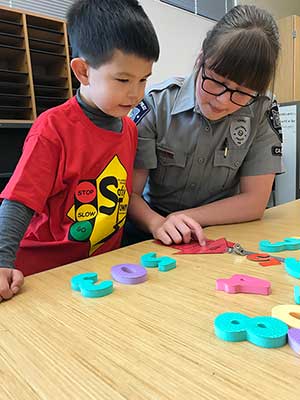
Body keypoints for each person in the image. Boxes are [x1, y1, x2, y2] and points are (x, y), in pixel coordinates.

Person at [0, 0, 159, 301]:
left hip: (99, 271)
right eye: (123, 80)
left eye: (143, 80)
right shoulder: (53, 129)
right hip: (43, 275)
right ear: (83, 71)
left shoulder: (130, 130)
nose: (135, 93)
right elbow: (18, 201)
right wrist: (1, 261)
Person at [123, 5, 283, 247]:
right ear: (200, 60)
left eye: (242, 93)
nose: (223, 101)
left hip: (218, 233)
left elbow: (255, 201)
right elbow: (129, 194)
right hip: (151, 232)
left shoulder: (261, 109)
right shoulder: (157, 104)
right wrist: (158, 223)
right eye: (217, 82)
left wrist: (186, 218)